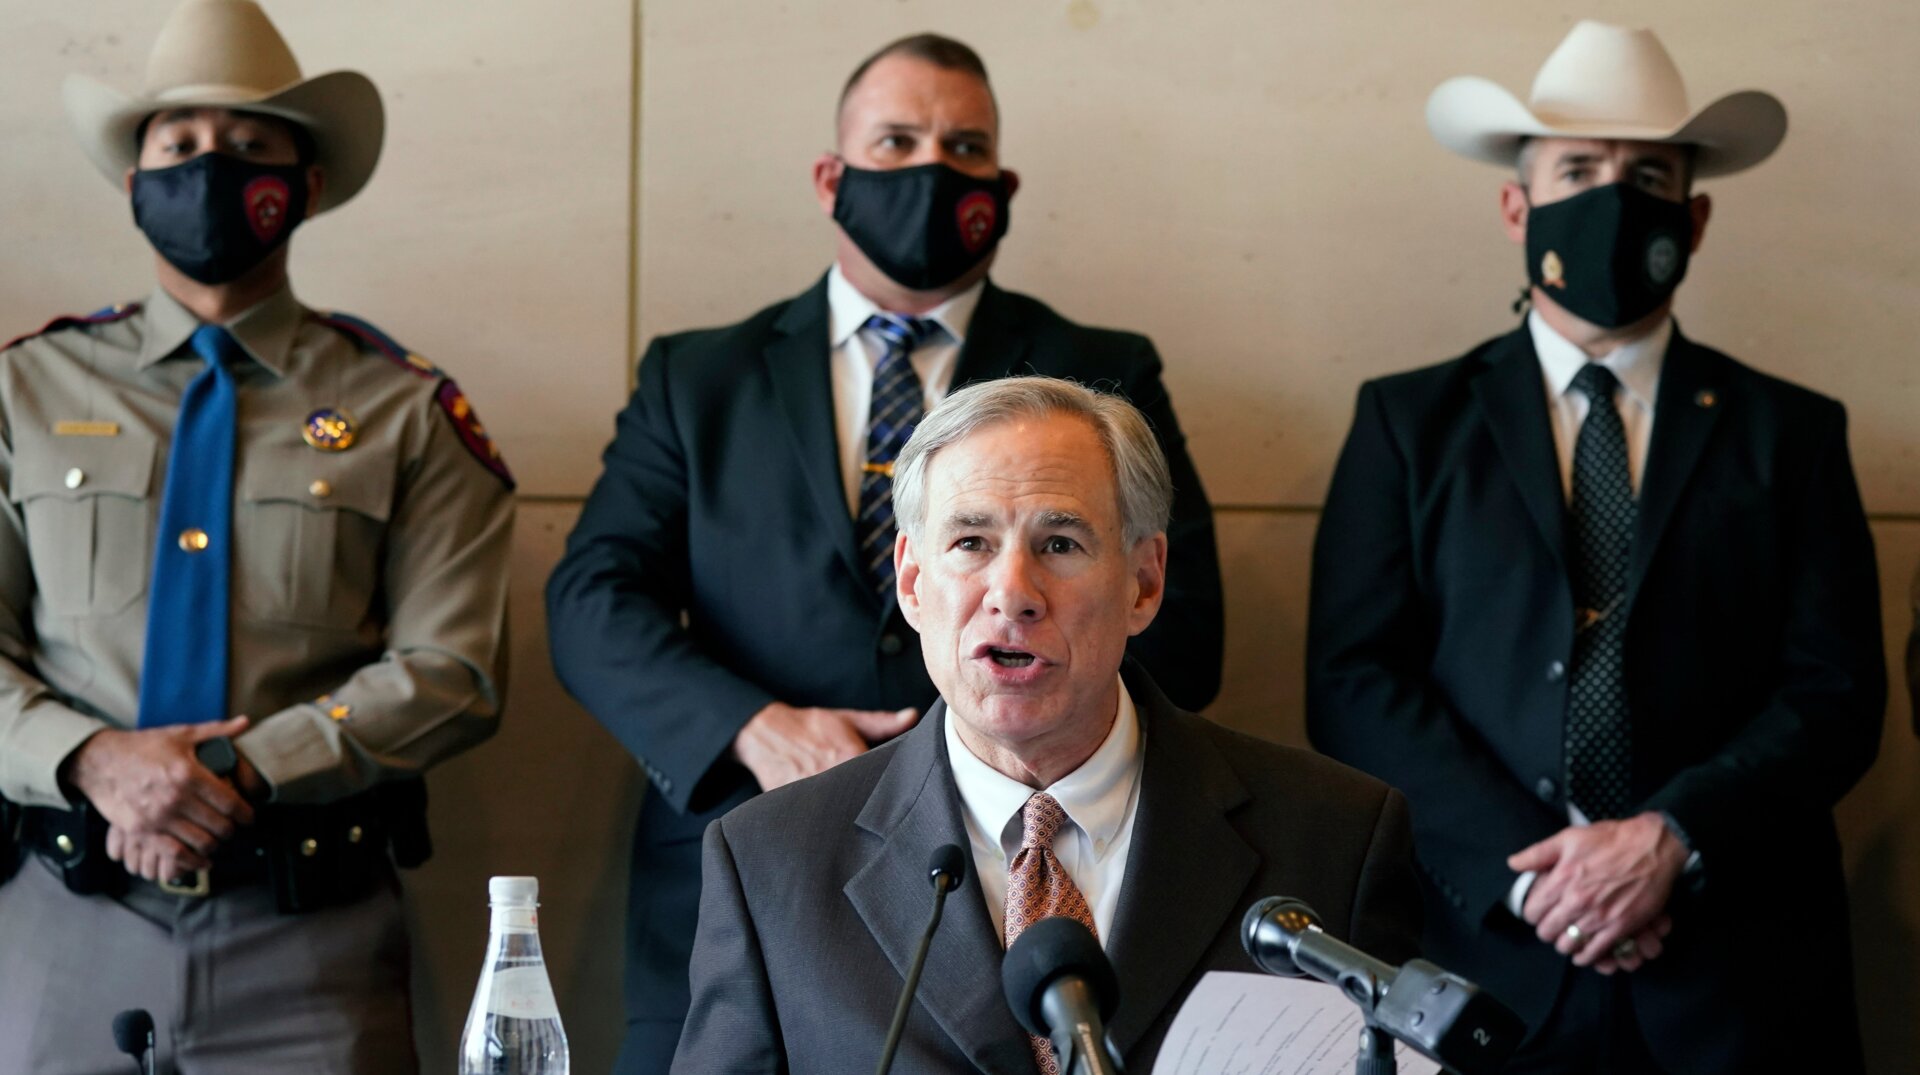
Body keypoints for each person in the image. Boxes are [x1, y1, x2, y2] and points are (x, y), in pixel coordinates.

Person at [546, 33, 1223, 1069]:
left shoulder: (1099, 374)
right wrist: (757, 728)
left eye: (964, 148)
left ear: (1001, 185)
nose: (931, 171)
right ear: (832, 176)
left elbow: (1185, 624)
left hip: (1027, 874)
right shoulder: (703, 377)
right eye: (897, 142)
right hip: (741, 873)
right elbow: (593, 600)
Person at [1307, 21, 1884, 1074]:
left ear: (1694, 217)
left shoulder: (1793, 432)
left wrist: (1669, 838)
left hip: (1741, 978)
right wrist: (1539, 876)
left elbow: (1837, 693)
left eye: (1647, 174)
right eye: (1578, 170)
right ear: (1516, 205)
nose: (1612, 197)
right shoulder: (1406, 422)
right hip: (1483, 965)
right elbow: (1354, 681)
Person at [0, 1, 513, 1071]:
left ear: (307, 187)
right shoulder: (23, 391)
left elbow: (454, 669)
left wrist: (238, 765)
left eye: (249, 146)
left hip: (311, 943)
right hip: (61, 925)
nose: (209, 168)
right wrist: (92, 759)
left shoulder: (403, 409)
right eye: (178, 145)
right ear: (136, 186)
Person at [670, 376, 1415, 1072]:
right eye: (971, 542)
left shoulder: (1335, 838)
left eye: (1060, 543)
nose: (1014, 593)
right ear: (912, 582)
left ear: (1144, 582)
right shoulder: (771, 862)